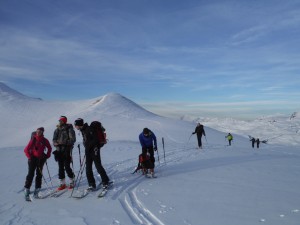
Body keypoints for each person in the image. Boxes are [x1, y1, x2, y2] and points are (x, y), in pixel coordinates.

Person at [74, 118, 110, 190]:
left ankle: (105, 181)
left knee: (98, 166)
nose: (75, 126)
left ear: (79, 124)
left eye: (76, 125)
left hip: (94, 150)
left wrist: (88, 146)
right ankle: (91, 184)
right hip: (88, 150)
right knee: (88, 168)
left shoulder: (89, 129)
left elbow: (96, 139)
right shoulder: (83, 130)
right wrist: (87, 147)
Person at [24, 127, 52, 199]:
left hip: (41, 159)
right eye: (37, 131)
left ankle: (38, 188)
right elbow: (26, 150)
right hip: (33, 159)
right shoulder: (33, 139)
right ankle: (27, 188)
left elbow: (49, 147)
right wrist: (30, 157)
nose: (38, 132)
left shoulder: (44, 140)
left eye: (39, 131)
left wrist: (47, 155)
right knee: (30, 174)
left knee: (39, 174)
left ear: (42, 132)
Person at [52, 116, 76, 190]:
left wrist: (63, 142)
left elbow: (73, 140)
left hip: (66, 150)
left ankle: (72, 180)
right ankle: (62, 183)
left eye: (61, 121)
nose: (60, 122)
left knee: (67, 166)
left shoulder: (69, 129)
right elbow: (54, 139)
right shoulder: (57, 129)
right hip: (59, 150)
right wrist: (55, 143)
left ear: (65, 121)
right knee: (60, 167)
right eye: (59, 121)